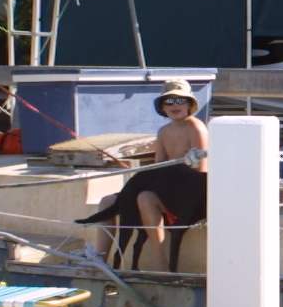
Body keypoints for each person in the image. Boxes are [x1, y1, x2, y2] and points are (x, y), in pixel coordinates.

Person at [76, 78, 210, 272]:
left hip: (187, 196)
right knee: (107, 201)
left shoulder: (196, 128)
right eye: (169, 101)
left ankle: (159, 261)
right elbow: (158, 166)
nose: (175, 105)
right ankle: (101, 257)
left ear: (190, 104)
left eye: (181, 100)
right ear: (162, 107)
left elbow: (201, 171)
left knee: (145, 197)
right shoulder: (163, 131)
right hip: (164, 189)